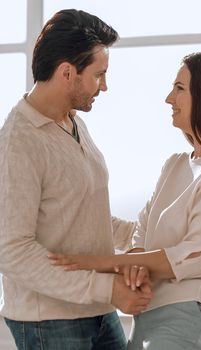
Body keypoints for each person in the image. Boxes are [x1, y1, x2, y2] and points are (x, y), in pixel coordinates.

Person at [49, 49, 201, 350]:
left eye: (180, 89)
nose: (169, 99)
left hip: (192, 314)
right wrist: (135, 260)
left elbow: (194, 255)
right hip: (149, 317)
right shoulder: (175, 165)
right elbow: (141, 233)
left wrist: (95, 263)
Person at [0, 9, 153, 350]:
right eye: (99, 75)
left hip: (96, 311)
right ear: (67, 72)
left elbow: (83, 211)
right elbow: (12, 251)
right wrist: (109, 288)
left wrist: (142, 240)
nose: (105, 86)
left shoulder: (72, 122)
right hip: (50, 323)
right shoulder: (18, 143)